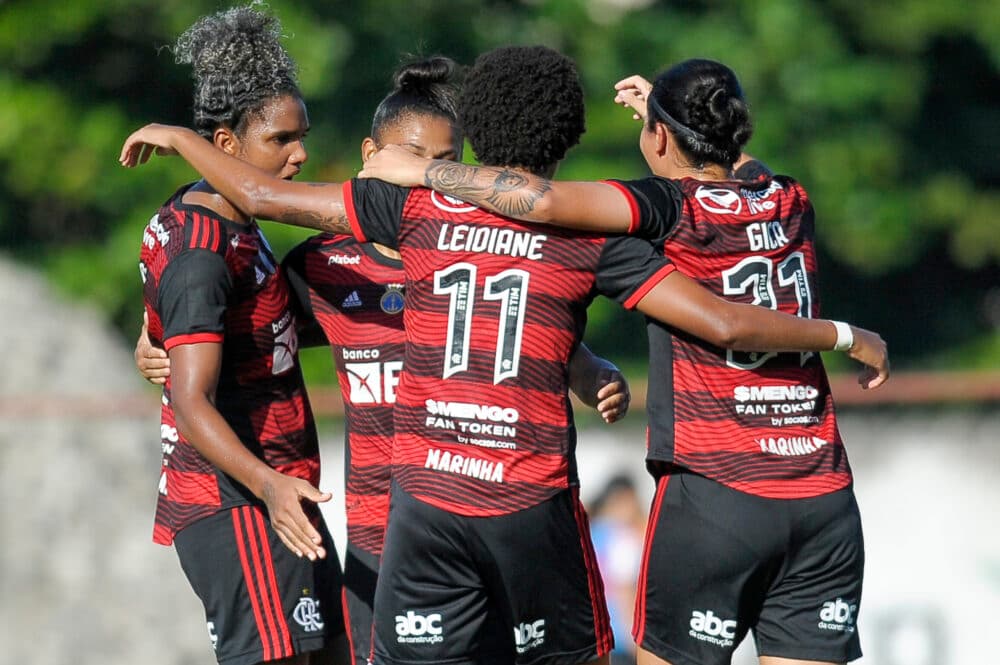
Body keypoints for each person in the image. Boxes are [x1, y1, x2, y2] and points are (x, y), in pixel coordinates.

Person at [119, 46, 888, 665]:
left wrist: (181, 139)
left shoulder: (411, 207)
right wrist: (174, 338)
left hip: (427, 511)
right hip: (506, 512)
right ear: (572, 138)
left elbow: (258, 201)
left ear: (472, 136)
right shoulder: (587, 236)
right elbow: (718, 313)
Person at [358, 58, 882, 665]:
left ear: (657, 136)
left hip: (716, 496)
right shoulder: (790, 197)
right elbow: (737, 170)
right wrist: (681, 126)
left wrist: (425, 169)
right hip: (821, 495)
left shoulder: (665, 206)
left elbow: (543, 202)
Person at [133, 53, 631, 665]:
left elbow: (533, 319)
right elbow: (226, 311)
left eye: (445, 164)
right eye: (415, 160)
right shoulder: (322, 268)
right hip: (379, 538)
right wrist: (152, 334)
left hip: (481, 514)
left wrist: (588, 368)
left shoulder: (472, 246)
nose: (426, 176)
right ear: (373, 158)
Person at [134, 7, 346, 665]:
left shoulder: (224, 217)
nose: (300, 153)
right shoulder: (202, 250)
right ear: (226, 147)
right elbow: (193, 399)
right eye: (281, 140)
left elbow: (221, 332)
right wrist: (269, 484)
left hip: (282, 490)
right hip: (243, 500)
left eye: (301, 135)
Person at [588, 474, 647, 665]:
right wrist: (636, 646)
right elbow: (625, 589)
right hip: (618, 642)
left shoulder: (591, 531)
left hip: (590, 638)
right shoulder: (622, 536)